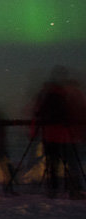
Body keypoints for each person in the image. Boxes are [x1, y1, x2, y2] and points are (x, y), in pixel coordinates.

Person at [31, 66, 86, 199]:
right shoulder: (68, 94)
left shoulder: (44, 95)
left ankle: (53, 190)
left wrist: (34, 132)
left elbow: (37, 113)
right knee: (72, 163)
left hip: (49, 135)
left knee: (53, 164)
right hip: (66, 134)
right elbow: (76, 112)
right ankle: (75, 190)